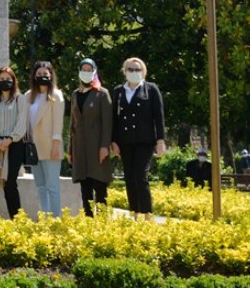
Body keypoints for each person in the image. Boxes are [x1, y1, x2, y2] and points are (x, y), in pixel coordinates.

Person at [110, 56, 166, 218]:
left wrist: (160, 140)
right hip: (125, 141)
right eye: (130, 69)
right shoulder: (119, 91)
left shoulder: (151, 89)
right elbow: (114, 117)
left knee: (140, 176)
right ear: (125, 71)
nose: (134, 72)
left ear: (143, 71)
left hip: (145, 140)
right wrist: (113, 140)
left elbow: (159, 116)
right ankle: (134, 213)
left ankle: (147, 214)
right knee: (129, 177)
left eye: (137, 69)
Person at [68, 58, 113, 216]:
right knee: (85, 187)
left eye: (89, 70)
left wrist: (105, 146)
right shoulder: (75, 94)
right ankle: (88, 220)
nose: (86, 73)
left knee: (99, 187)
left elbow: (108, 123)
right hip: (80, 148)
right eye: (83, 69)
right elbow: (72, 124)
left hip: (97, 147)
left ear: (94, 72)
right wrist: (70, 150)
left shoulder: (102, 93)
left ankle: (101, 222)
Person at [0, 66, 28, 219]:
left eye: (8, 79)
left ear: (13, 80)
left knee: (10, 182)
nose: (5, 82)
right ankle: (14, 217)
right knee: (4, 183)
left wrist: (10, 139)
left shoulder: (20, 99)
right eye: (2, 79)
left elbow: (22, 122)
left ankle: (18, 219)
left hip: (15, 145)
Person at [26, 61, 66, 218]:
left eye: (45, 74)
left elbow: (58, 124)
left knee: (52, 186)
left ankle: (55, 220)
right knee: (40, 186)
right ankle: (44, 218)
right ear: (34, 76)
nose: (42, 77)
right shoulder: (28, 96)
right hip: (34, 148)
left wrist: (56, 146)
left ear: (51, 76)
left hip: (51, 147)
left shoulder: (56, 95)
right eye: (39, 74)